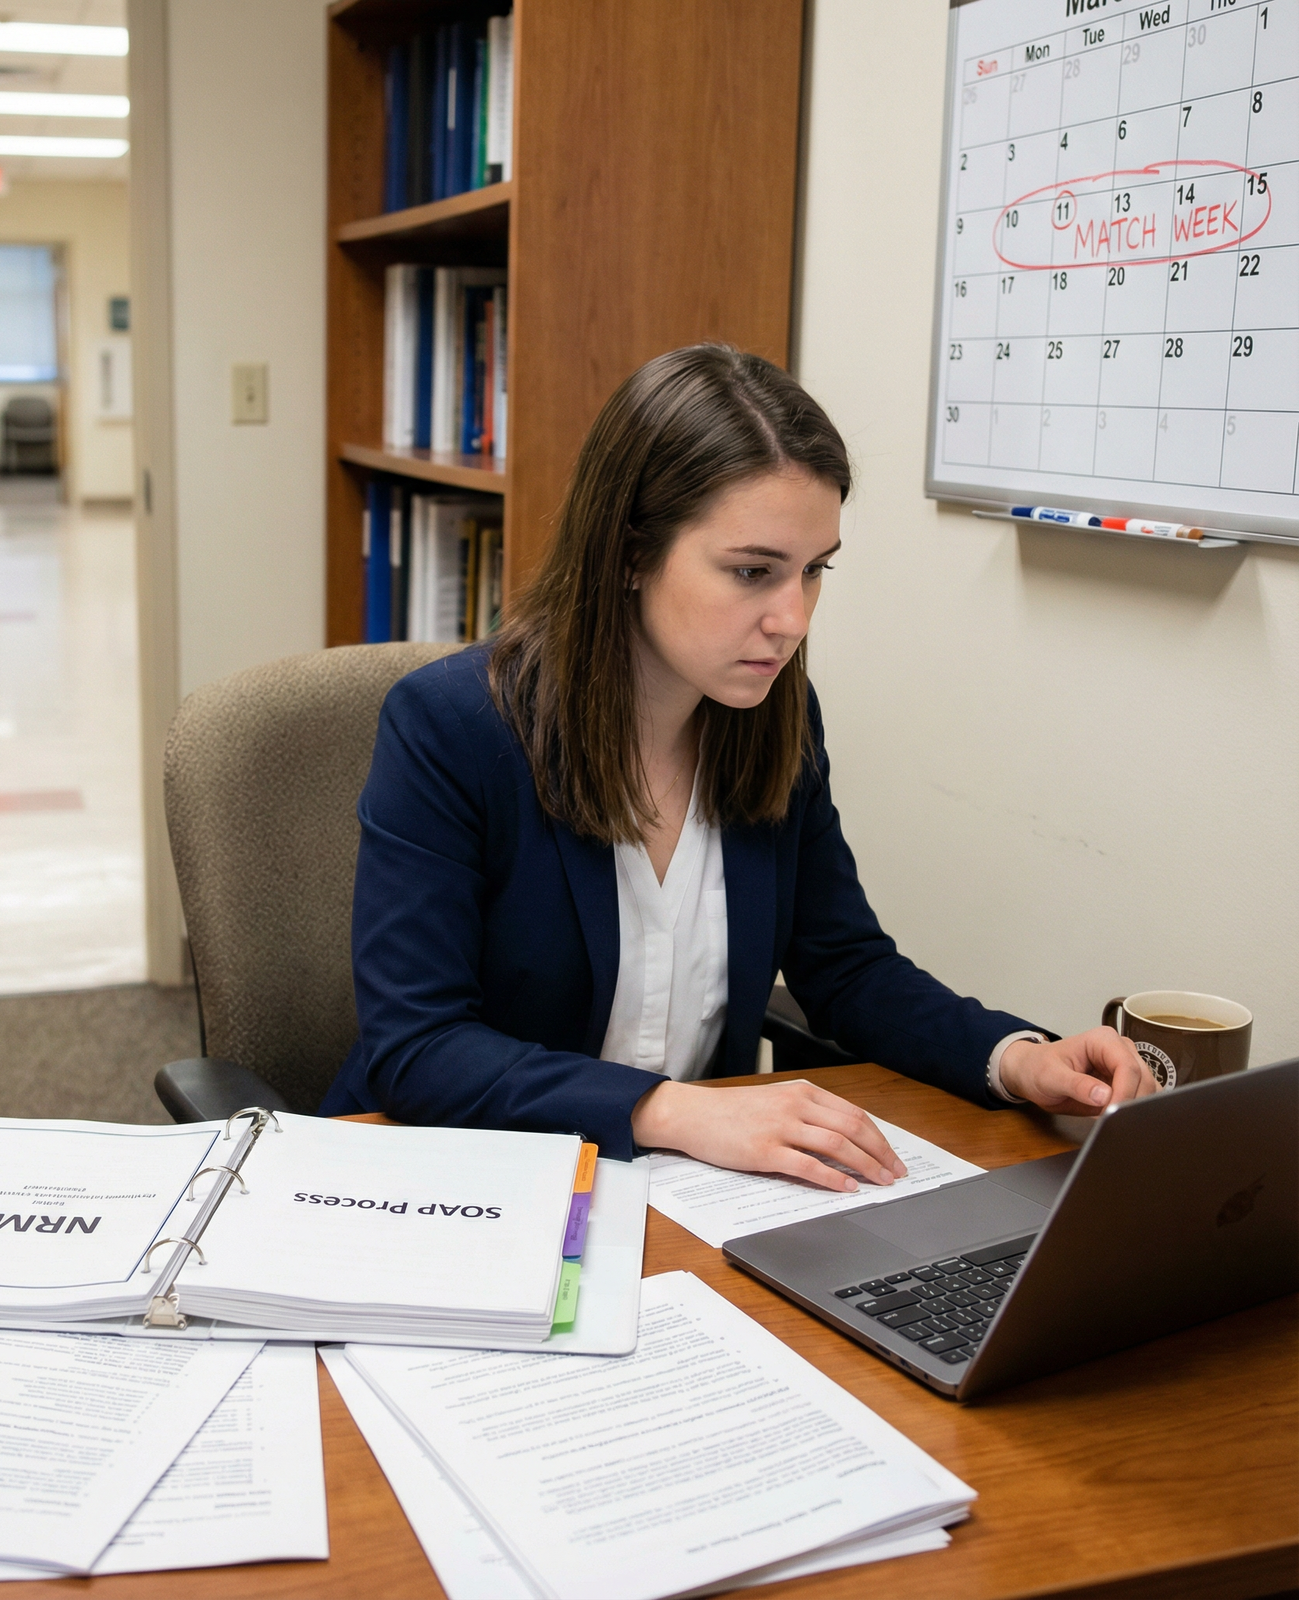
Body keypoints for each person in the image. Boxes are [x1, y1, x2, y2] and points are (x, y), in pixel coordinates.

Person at [320, 345, 1155, 1185]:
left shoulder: (773, 721)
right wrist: (675, 1108)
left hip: (680, 1193)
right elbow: (417, 1046)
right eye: (752, 572)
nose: (791, 619)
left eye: (813, 572)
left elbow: (845, 967)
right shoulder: (453, 727)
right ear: (629, 554)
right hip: (458, 1186)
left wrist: (1015, 1059)